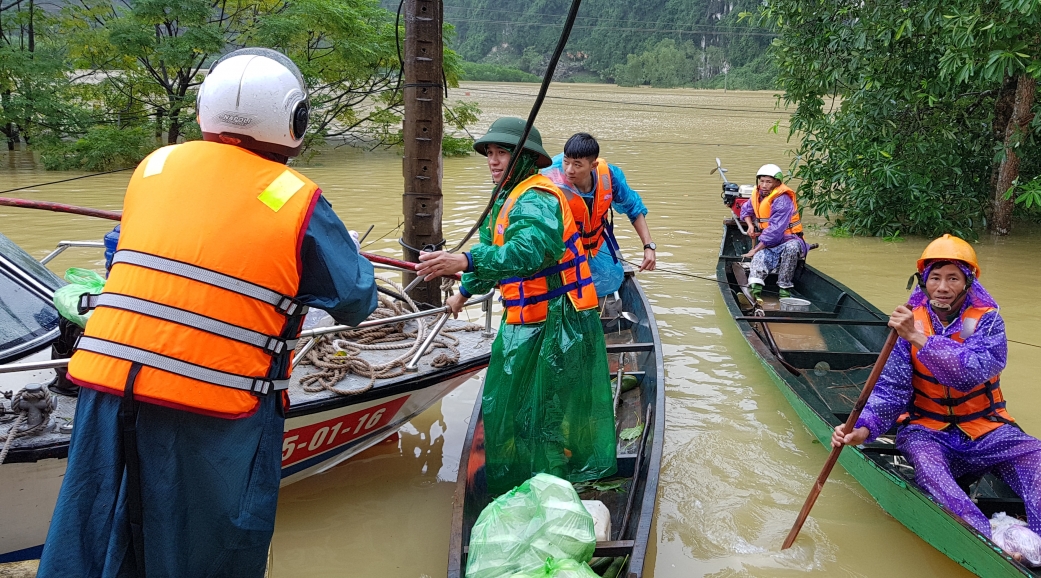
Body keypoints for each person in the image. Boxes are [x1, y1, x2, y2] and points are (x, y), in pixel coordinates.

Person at [39, 48, 377, 578]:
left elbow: (121, 251)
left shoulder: (156, 168)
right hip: (212, 412)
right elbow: (356, 296)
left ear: (204, 109)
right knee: (207, 549)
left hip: (105, 394)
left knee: (94, 533)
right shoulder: (296, 199)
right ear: (295, 120)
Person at [832, 234, 1041, 578]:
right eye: (935, 277)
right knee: (930, 468)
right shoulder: (909, 322)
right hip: (928, 432)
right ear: (923, 281)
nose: (943, 287)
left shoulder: (988, 321)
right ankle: (992, 544)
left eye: (953, 278)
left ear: (968, 282)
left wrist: (919, 338)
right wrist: (860, 430)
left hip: (985, 428)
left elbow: (972, 372)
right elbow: (891, 390)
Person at [416, 118, 617, 495]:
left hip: (560, 321)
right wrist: (464, 291)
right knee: (517, 406)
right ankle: (533, 474)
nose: (493, 161)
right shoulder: (506, 198)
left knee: (546, 409)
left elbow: (530, 251)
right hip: (529, 322)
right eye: (489, 154)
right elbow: (495, 253)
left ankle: (552, 480)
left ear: (524, 158)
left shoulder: (537, 197)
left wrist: (466, 262)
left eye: (502, 153)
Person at [541, 132, 656, 298]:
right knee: (560, 292)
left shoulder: (608, 176)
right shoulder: (550, 179)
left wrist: (648, 246)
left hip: (593, 244)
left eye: (577, 165)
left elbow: (633, 207)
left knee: (609, 278)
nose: (569, 170)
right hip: (562, 250)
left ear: (593, 166)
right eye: (566, 162)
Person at [739, 163, 807, 301]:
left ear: (777, 182)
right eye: (762, 181)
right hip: (770, 243)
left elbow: (774, 231)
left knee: (791, 249)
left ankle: (784, 290)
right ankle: (755, 293)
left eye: (768, 182)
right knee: (758, 259)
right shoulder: (758, 194)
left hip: (789, 239)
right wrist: (750, 225)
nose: (764, 185)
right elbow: (746, 210)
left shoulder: (782, 199)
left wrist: (755, 249)